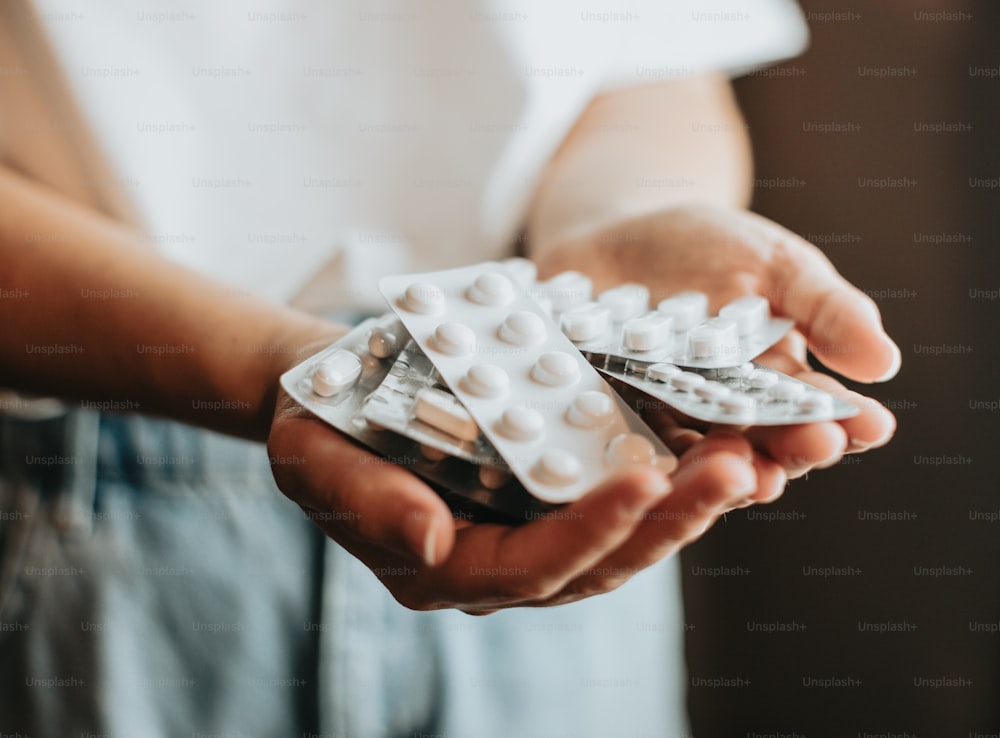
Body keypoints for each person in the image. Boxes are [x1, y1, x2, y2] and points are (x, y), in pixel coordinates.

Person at [0, 1, 899, 735]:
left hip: (583, 453)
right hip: (97, 500)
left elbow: (650, 62)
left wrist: (631, 216)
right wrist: (292, 368)